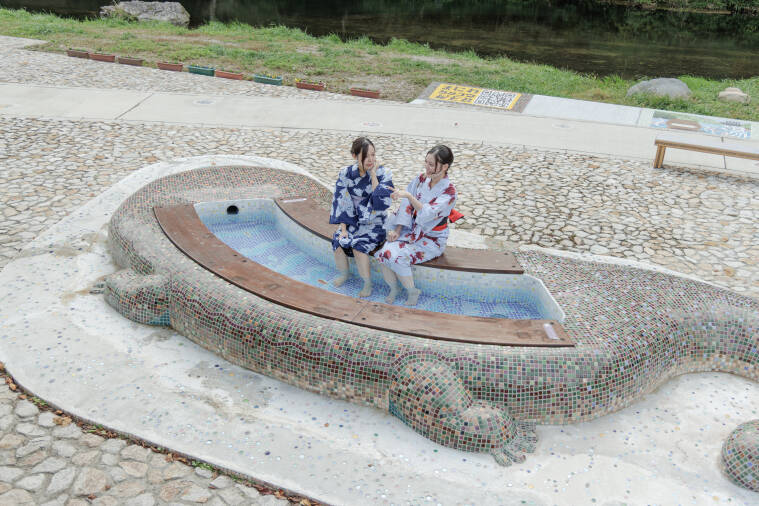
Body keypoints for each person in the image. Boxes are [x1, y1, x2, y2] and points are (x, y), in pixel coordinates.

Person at [375, 145, 458, 306]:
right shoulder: (421, 179)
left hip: (432, 238)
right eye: (426, 162)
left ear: (445, 167)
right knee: (384, 253)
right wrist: (398, 230)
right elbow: (406, 205)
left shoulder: (449, 192)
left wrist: (409, 196)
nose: (427, 167)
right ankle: (394, 288)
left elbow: (427, 214)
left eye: (431, 164)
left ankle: (412, 291)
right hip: (411, 230)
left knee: (398, 257)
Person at [329, 137, 394, 297]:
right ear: (354, 156)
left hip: (375, 223)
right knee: (338, 242)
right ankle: (344, 274)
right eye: (365, 156)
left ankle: (367, 283)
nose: (370, 159)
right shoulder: (346, 174)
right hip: (353, 221)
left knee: (359, 247)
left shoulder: (384, 173)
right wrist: (343, 229)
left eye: (373, 155)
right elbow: (342, 202)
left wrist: (373, 175)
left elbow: (382, 203)